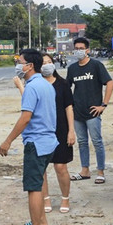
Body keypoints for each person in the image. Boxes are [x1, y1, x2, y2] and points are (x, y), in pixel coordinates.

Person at [0, 49, 58, 225]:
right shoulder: (45, 84)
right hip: (48, 142)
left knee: (33, 188)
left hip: (36, 143)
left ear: (30, 66)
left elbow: (26, 117)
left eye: (20, 61)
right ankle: (41, 221)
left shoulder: (32, 87)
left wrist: (8, 141)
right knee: (39, 181)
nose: (18, 65)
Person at [67, 37, 113, 184]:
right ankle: (85, 170)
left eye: (81, 48)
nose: (79, 51)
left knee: (97, 141)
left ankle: (100, 172)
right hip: (77, 112)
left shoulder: (96, 65)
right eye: (76, 48)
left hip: (93, 112)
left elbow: (110, 83)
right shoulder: (72, 68)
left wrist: (103, 105)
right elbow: (67, 88)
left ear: (87, 50)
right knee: (82, 142)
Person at [39, 52, 76, 214]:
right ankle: (45, 199)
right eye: (43, 63)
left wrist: (71, 131)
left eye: (49, 62)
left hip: (61, 130)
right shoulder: (37, 84)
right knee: (42, 168)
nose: (46, 65)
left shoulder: (63, 84)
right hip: (42, 130)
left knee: (60, 167)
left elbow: (69, 107)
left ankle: (65, 198)